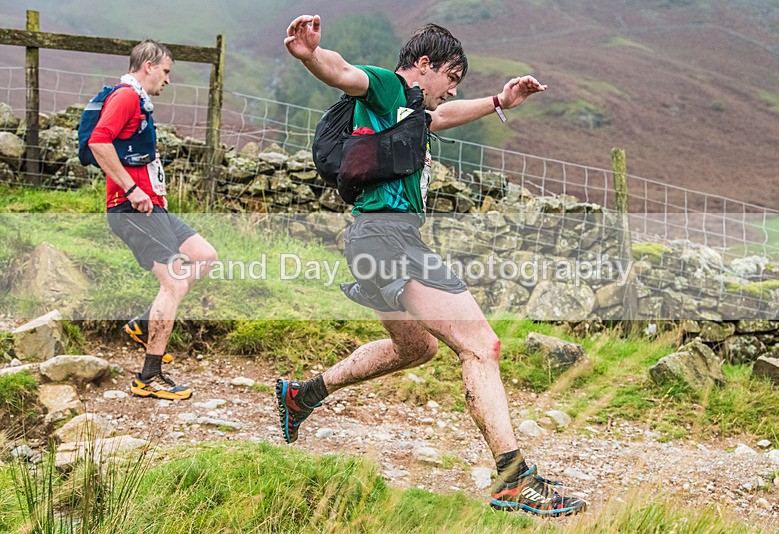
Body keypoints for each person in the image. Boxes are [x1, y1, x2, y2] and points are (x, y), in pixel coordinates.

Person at [276, 15, 588, 517]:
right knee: (481, 346)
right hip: (387, 239)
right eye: (451, 78)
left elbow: (444, 117)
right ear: (424, 66)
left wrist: (498, 102)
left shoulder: (413, 112)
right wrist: (311, 54)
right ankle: (513, 479)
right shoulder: (384, 87)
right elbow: (343, 72)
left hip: (372, 241)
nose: (451, 91)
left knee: (415, 347)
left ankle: (302, 395)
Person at [89, 39, 217, 401]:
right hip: (133, 209)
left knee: (205, 256)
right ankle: (149, 376)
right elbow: (100, 142)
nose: (167, 79)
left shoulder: (138, 101)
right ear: (148, 66)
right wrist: (131, 189)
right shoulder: (126, 96)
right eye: (165, 71)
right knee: (174, 283)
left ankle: (145, 324)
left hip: (152, 207)